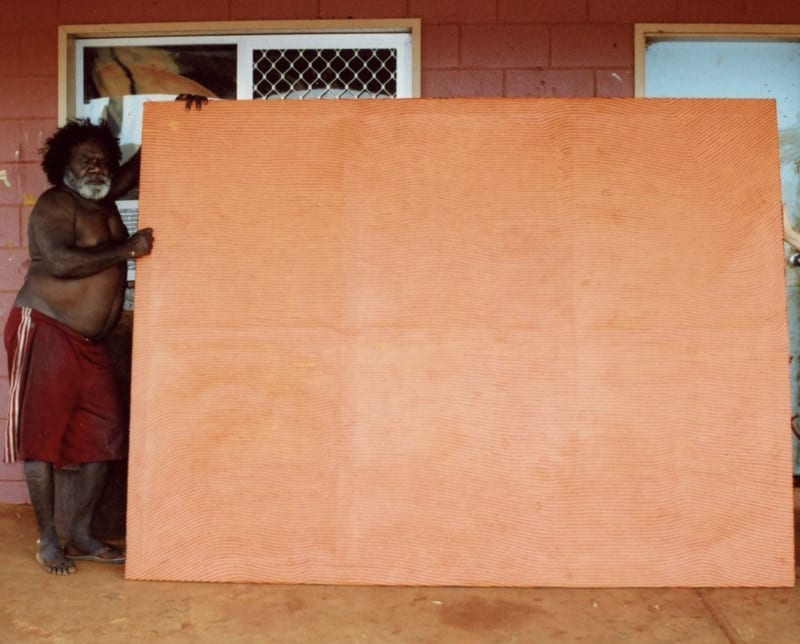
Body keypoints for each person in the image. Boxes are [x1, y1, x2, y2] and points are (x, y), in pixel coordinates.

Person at [3, 96, 204, 575]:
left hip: (89, 343)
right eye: (84, 160)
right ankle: (48, 538)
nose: (95, 167)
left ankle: (83, 532)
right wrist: (128, 250)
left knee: (106, 434)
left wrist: (179, 117)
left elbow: (141, 163)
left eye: (101, 160)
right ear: (63, 168)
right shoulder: (56, 204)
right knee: (42, 440)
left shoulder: (107, 195)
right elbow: (61, 263)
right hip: (46, 328)